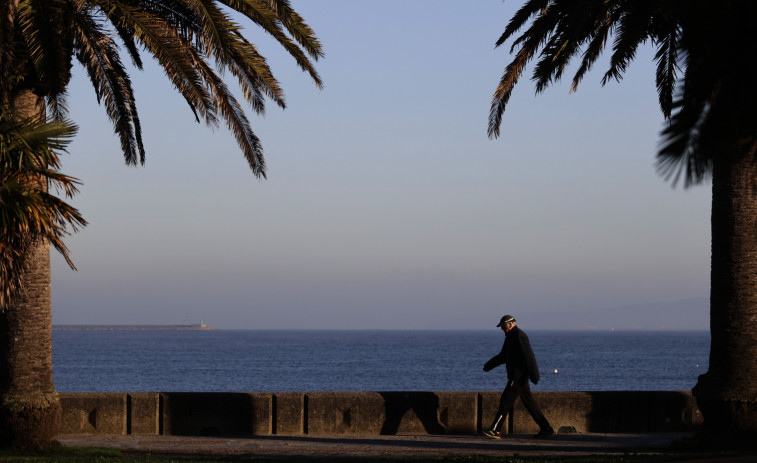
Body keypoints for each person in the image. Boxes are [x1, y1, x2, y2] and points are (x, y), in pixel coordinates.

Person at [482, 314, 554, 439]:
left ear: (511, 324)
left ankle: (495, 430)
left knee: (505, 401)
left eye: (503, 327)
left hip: (518, 377)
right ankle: (546, 428)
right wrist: (489, 365)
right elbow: (503, 355)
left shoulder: (520, 336)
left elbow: (529, 357)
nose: (502, 329)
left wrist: (534, 375)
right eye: (501, 327)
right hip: (517, 376)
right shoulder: (510, 337)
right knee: (529, 403)